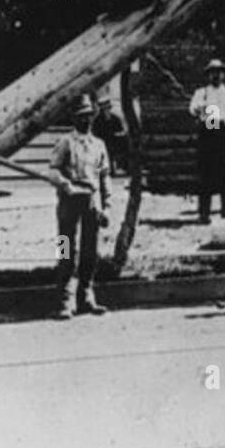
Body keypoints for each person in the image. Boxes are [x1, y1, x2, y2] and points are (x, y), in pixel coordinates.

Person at [48, 95, 112, 318]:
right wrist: (66, 185)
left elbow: (104, 177)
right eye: (81, 116)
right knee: (65, 247)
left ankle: (86, 295)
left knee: (90, 250)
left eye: (89, 116)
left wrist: (108, 206)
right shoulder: (65, 142)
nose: (86, 120)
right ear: (74, 118)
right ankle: (65, 299)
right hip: (69, 201)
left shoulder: (99, 144)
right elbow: (53, 170)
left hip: (91, 200)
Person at [189, 58, 225, 223]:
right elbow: (192, 108)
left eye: (219, 72)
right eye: (213, 72)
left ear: (224, 75)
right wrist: (199, 109)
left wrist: (223, 119)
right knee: (205, 177)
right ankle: (204, 213)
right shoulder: (201, 93)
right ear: (208, 75)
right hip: (208, 139)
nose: (216, 75)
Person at [92, 97, 128, 177]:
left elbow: (121, 131)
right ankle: (108, 170)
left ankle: (123, 167)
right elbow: (95, 133)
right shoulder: (97, 120)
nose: (105, 110)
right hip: (102, 143)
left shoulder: (115, 118)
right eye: (103, 108)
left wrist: (117, 135)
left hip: (114, 142)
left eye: (107, 108)